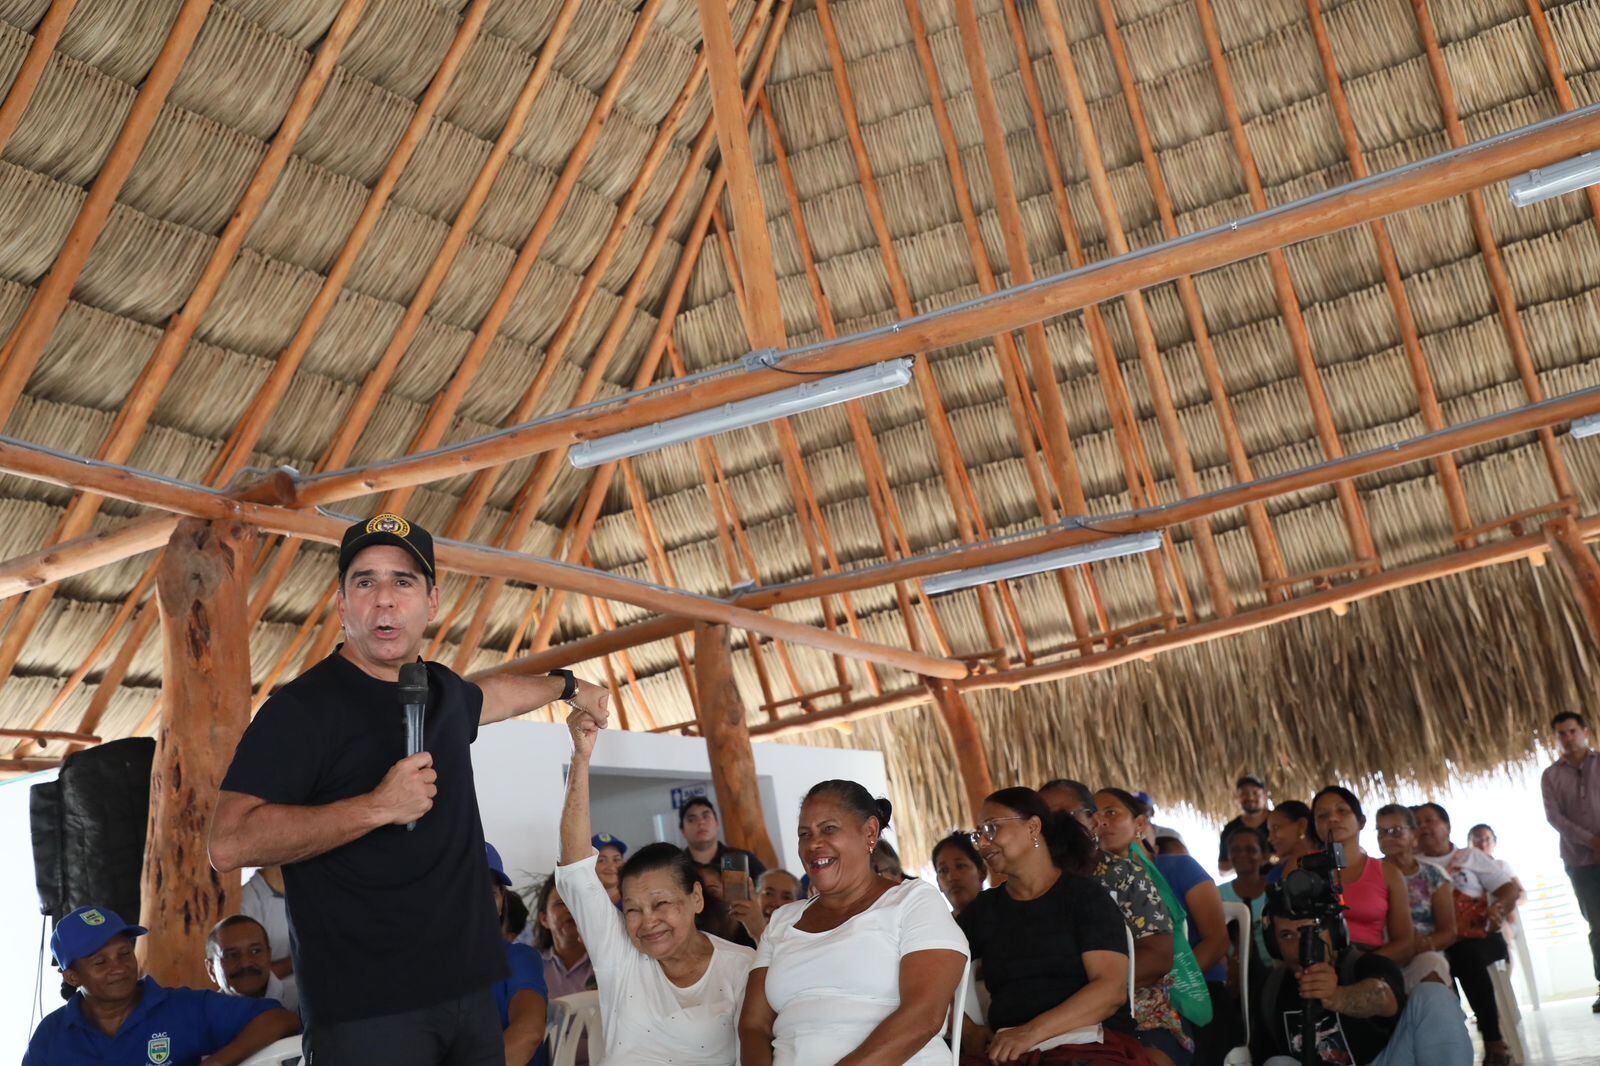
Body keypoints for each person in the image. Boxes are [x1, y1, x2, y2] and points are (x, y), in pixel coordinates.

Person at [208, 512, 609, 1063]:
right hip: (367, 1010)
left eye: (403, 581)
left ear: (432, 601)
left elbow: (495, 696)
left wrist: (568, 686)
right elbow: (228, 842)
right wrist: (376, 807)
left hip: (468, 993)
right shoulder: (301, 710)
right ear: (342, 603)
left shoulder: (439, 690)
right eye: (365, 582)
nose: (384, 600)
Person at [558, 706, 754, 1063]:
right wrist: (580, 758)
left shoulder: (741, 967)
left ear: (696, 898)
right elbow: (575, 868)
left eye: (661, 904)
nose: (647, 921)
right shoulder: (619, 953)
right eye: (633, 909)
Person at [739, 780, 969, 1064]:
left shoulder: (913, 901)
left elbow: (924, 1016)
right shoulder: (782, 920)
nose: (813, 844)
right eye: (804, 834)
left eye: (829, 829)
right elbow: (754, 1026)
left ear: (870, 832)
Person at [957, 787, 1151, 1064]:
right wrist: (967, 1030)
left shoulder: (1085, 898)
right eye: (978, 835)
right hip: (1009, 1050)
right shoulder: (983, 910)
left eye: (991, 828)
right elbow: (932, 972)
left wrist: (1030, 1033)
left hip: (1087, 1043)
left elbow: (1111, 990)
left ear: (1033, 827)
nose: (983, 843)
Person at [25, 905, 300, 1065]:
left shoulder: (181, 1007)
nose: (119, 967)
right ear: (72, 977)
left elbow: (278, 1019)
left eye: (125, 953)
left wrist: (216, 1063)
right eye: (100, 962)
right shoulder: (51, 1037)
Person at [1251, 897, 1473, 1065]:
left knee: (1433, 995)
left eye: (1313, 931)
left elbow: (1382, 996)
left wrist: (1337, 997)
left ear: (1334, 933)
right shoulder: (1270, 990)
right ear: (1274, 945)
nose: (1302, 945)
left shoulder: (1366, 965)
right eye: (1287, 935)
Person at [1415, 802, 1520, 1065]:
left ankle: (1494, 1042)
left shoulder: (1471, 857)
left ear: (1447, 826)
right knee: (1427, 963)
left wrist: (1499, 908)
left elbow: (1509, 890)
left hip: (1480, 938)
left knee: (1465, 956)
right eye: (1417, 823)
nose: (1423, 827)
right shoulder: (1412, 865)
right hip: (1436, 942)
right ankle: (1445, 1048)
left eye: (1429, 820)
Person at [1094, 788, 1188, 1066]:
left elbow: (1160, 959)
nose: (1101, 821)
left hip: (1152, 1004)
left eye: (1111, 812)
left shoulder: (1152, 873)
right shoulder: (1080, 880)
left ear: (1140, 824)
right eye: (1094, 815)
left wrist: (1092, 988)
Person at [1310, 787, 1412, 966]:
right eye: (1322, 815)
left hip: (1372, 962)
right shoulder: (1302, 870)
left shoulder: (1389, 873)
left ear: (1361, 821)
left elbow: (1405, 944)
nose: (1332, 819)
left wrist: (1358, 966)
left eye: (1342, 811)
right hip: (1316, 962)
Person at [1154, 841, 1232, 1065]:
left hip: (1198, 987)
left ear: (1139, 825)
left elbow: (1218, 940)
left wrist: (1170, 989)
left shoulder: (1179, 867)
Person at [1542, 709, 1600, 1011]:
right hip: (1580, 861)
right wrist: (1592, 842)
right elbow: (1555, 818)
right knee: (1598, 923)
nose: (1567, 738)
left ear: (1585, 732)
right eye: (1561, 734)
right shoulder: (1550, 776)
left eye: (1572, 731)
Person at [1374, 804, 1454, 992]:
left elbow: (1448, 931)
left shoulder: (1433, 875)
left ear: (1414, 834)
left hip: (1421, 953)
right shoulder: (1370, 874)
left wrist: (1424, 944)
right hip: (1381, 955)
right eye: (1381, 832)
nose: (1387, 838)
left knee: (1431, 965)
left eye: (1396, 831)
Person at [487, 844, 548, 1066]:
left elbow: (528, 1033)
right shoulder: (428, 965)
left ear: (502, 903)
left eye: (490, 893)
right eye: (466, 889)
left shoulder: (518, 958)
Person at [205, 914, 299, 1014]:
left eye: (255, 951)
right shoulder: (203, 1016)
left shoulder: (300, 1006)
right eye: (231, 955)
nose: (245, 963)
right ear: (211, 969)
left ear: (269, 955)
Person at [681, 796, 768, 893]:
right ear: (682, 830)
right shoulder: (678, 866)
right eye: (691, 819)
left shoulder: (741, 858)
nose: (701, 822)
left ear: (717, 824)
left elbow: (768, 891)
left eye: (706, 816)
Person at [238, 865, 295, 1003]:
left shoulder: (309, 891)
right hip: (270, 1009)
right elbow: (247, 977)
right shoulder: (245, 901)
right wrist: (299, 960)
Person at [1218, 827, 1271, 972]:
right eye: (1235, 850)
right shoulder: (1218, 894)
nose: (1242, 854)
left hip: (1274, 971)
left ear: (1264, 856)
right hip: (1234, 973)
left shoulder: (1275, 890)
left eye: (1251, 850)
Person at [1218, 775, 1272, 874]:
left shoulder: (1278, 821)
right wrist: (1245, 862)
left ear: (1265, 796)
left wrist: (1271, 859)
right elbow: (1222, 869)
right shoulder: (1231, 829)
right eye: (1244, 793)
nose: (1250, 797)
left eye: (1255, 793)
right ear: (1238, 798)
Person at [933, 831, 988, 917]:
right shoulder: (939, 925)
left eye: (960, 866)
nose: (951, 877)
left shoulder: (1004, 914)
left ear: (982, 872)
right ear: (938, 883)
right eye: (943, 870)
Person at [1265, 801, 1316, 883]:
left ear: (1301, 825)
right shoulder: (1275, 875)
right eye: (1269, 831)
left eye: (1276, 827)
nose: (1270, 838)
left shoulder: (1327, 864)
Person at [594, 833, 627, 906]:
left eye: (616, 859)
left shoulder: (634, 900)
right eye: (601, 860)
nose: (611, 867)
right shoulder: (581, 904)